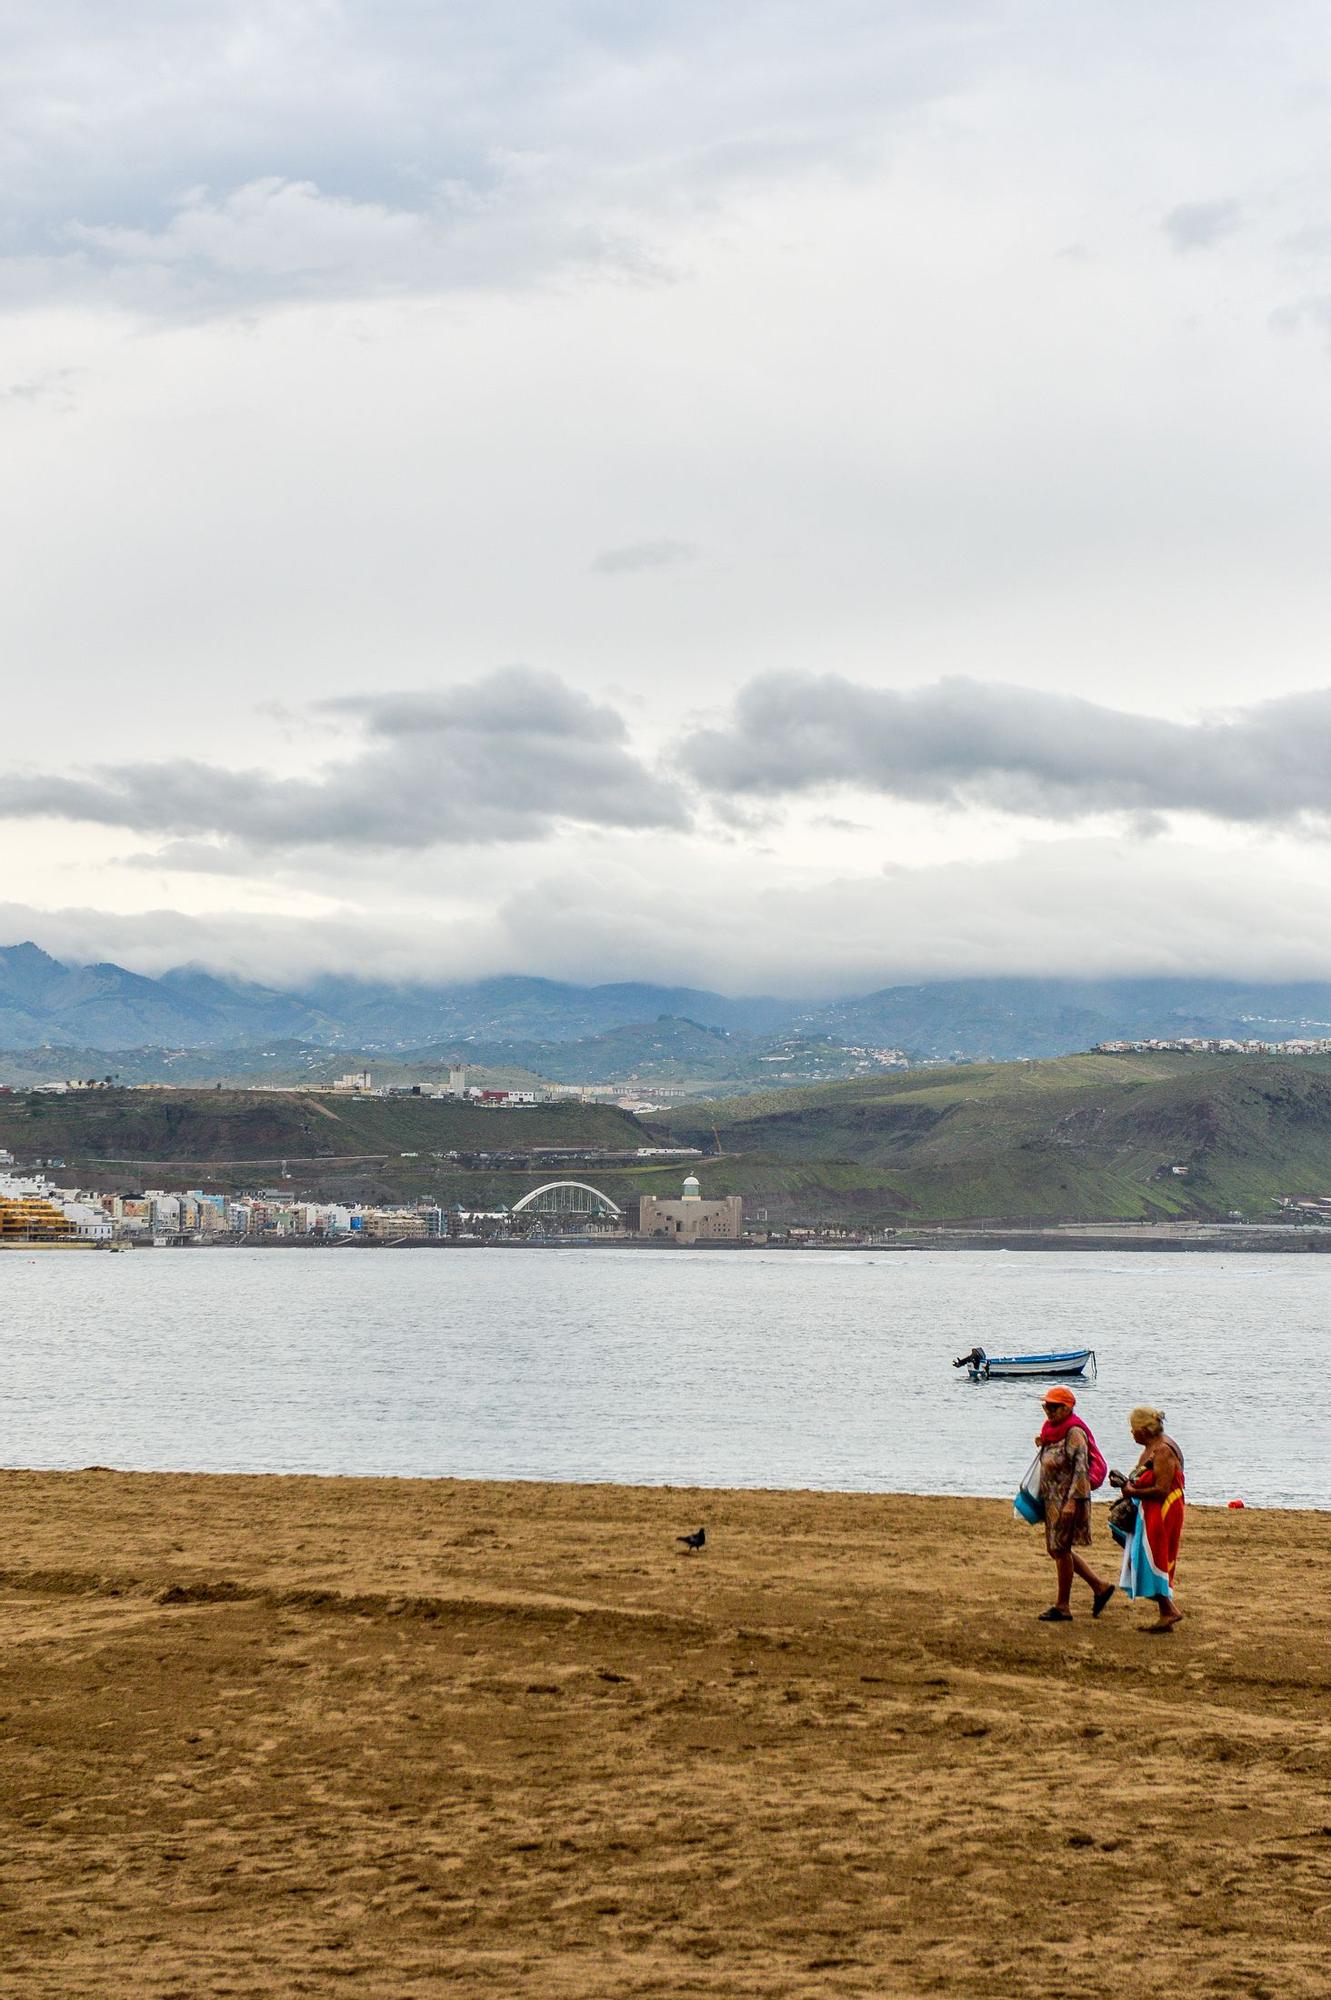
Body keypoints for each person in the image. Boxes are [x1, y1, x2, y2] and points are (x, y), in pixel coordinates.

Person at [1034, 1385, 1114, 1622]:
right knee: (1056, 1549)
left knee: (1060, 1549)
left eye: (1053, 1407)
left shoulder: (1074, 1432)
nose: (1048, 1410)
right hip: (1052, 1498)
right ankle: (1099, 1587)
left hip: (1067, 1499)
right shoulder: (1052, 1430)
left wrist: (1072, 1503)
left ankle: (1063, 1606)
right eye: (1046, 1406)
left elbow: (1081, 1470)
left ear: (1067, 1408)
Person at [1108, 1407, 1185, 1633]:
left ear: (1143, 1430)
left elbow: (1161, 1489)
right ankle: (1166, 1611)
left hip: (1164, 1509)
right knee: (1143, 1557)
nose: (1131, 1433)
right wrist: (1125, 1483)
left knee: (1152, 1557)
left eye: (1133, 1429)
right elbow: (1139, 1478)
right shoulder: (1152, 1448)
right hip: (1150, 1509)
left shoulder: (1162, 1451)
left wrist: (1131, 1492)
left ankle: (1169, 1610)